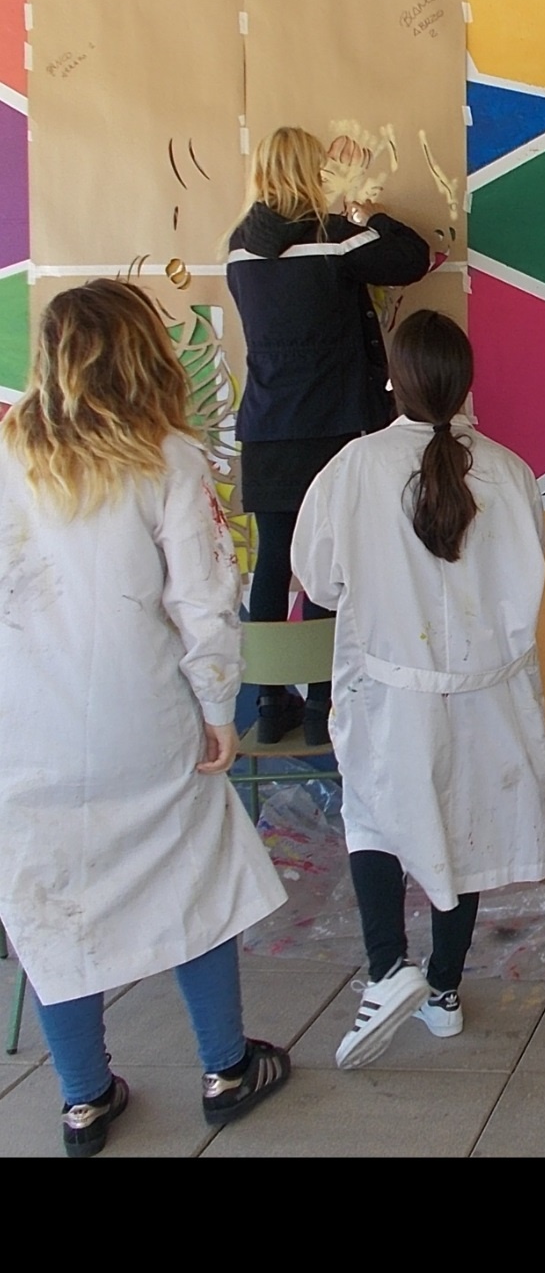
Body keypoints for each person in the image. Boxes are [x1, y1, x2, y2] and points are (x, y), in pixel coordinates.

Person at [0, 281, 292, 1158]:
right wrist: (217, 709)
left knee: (49, 904)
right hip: (145, 721)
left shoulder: (8, 454)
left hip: (26, 730)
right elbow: (207, 602)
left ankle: (85, 1102)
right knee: (193, 886)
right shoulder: (169, 456)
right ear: (143, 354)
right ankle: (225, 1068)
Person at [290, 310, 545, 1069]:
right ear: (467, 382)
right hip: (488, 693)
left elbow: (318, 579)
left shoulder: (354, 467)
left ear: (393, 381)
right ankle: (442, 991)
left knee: (375, 822)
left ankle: (385, 972)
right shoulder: (509, 470)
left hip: (388, 689)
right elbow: (529, 577)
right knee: (462, 835)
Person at [227, 126, 432, 747]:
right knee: (328, 566)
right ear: (309, 172)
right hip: (334, 430)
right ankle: (320, 705)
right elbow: (411, 258)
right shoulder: (333, 240)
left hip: (266, 428)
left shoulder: (238, 247)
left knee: (272, 562)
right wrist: (370, 215)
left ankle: (267, 702)